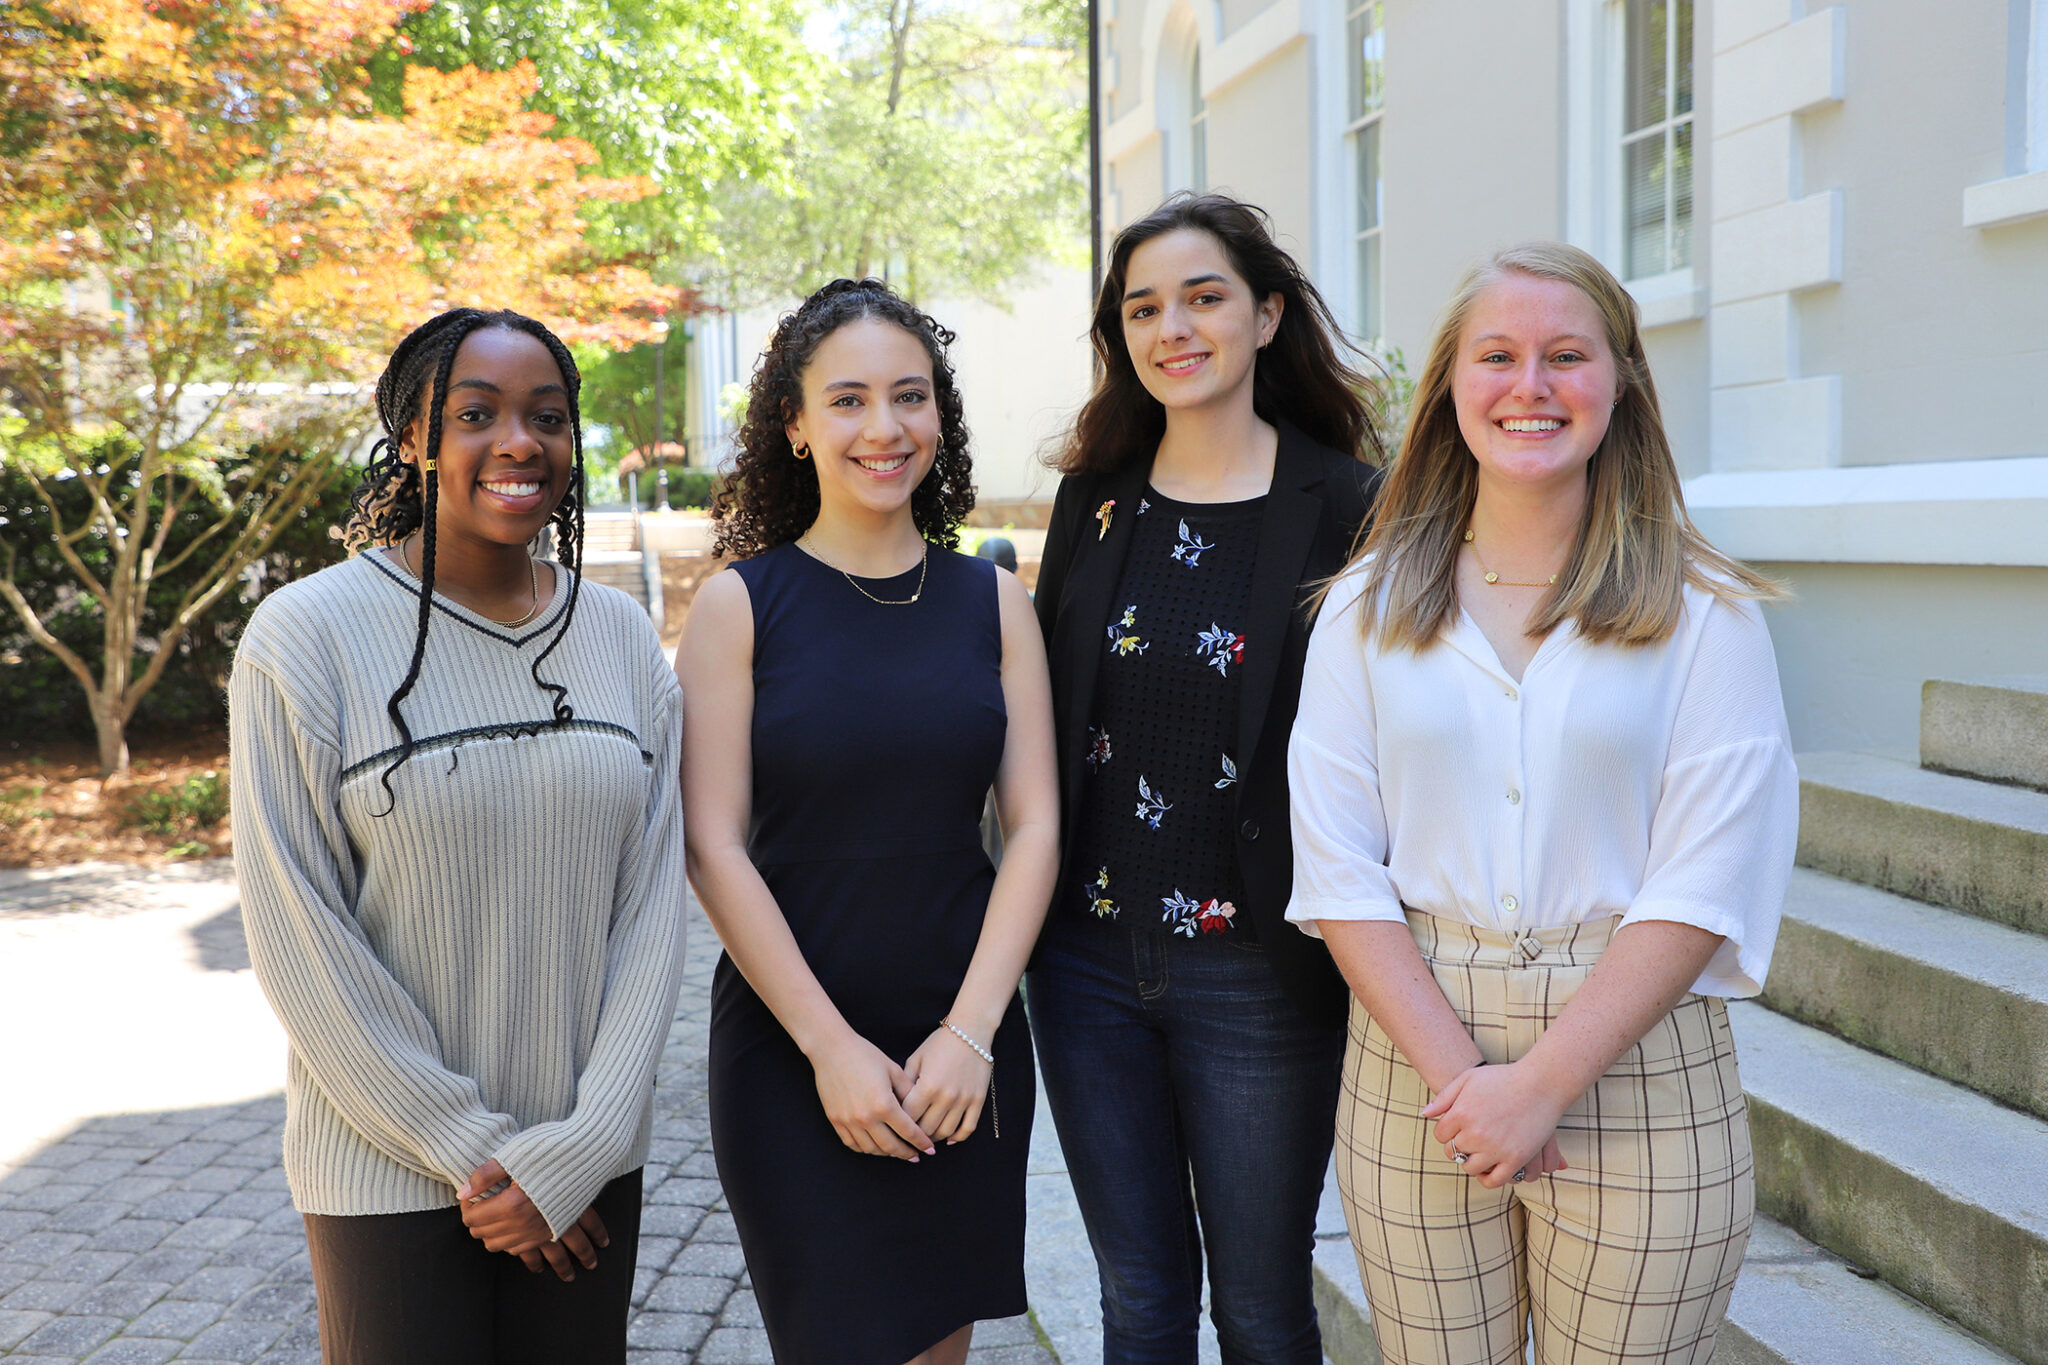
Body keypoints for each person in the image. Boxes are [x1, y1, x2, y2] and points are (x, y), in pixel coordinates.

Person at [1285, 241, 1799, 1365]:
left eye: (1565, 356)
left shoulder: (1705, 613)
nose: (1531, 386)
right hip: (1415, 1057)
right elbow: (1335, 870)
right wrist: (1468, 1085)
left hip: (1636, 1054)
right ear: (1450, 389)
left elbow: (1704, 878)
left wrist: (1541, 1085)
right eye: (1498, 356)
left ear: (1618, 384)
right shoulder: (1362, 609)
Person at [228, 308, 687, 1365]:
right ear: (413, 440)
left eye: (548, 416)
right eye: (475, 414)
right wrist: (480, 1158)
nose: (520, 442)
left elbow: (652, 912)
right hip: (388, 1173)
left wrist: (578, 1152)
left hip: (583, 1174)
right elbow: (300, 938)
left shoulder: (617, 636)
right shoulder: (306, 637)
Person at [1026, 191, 1383, 1363]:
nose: (1170, 327)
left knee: (1262, 1306)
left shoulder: (1348, 503)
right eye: (1141, 308)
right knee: (1136, 1301)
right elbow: (1042, 725)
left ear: (1267, 315)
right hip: (1084, 963)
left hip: (1259, 968)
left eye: (1202, 296)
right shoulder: (1096, 499)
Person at [676, 278, 1059, 1365]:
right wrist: (830, 1049)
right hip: (795, 1052)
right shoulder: (739, 606)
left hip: (963, 1048)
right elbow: (713, 846)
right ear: (793, 427)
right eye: (846, 401)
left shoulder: (992, 602)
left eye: (909, 396)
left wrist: (972, 1032)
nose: (882, 428)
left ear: (939, 416)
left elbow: (1032, 830)